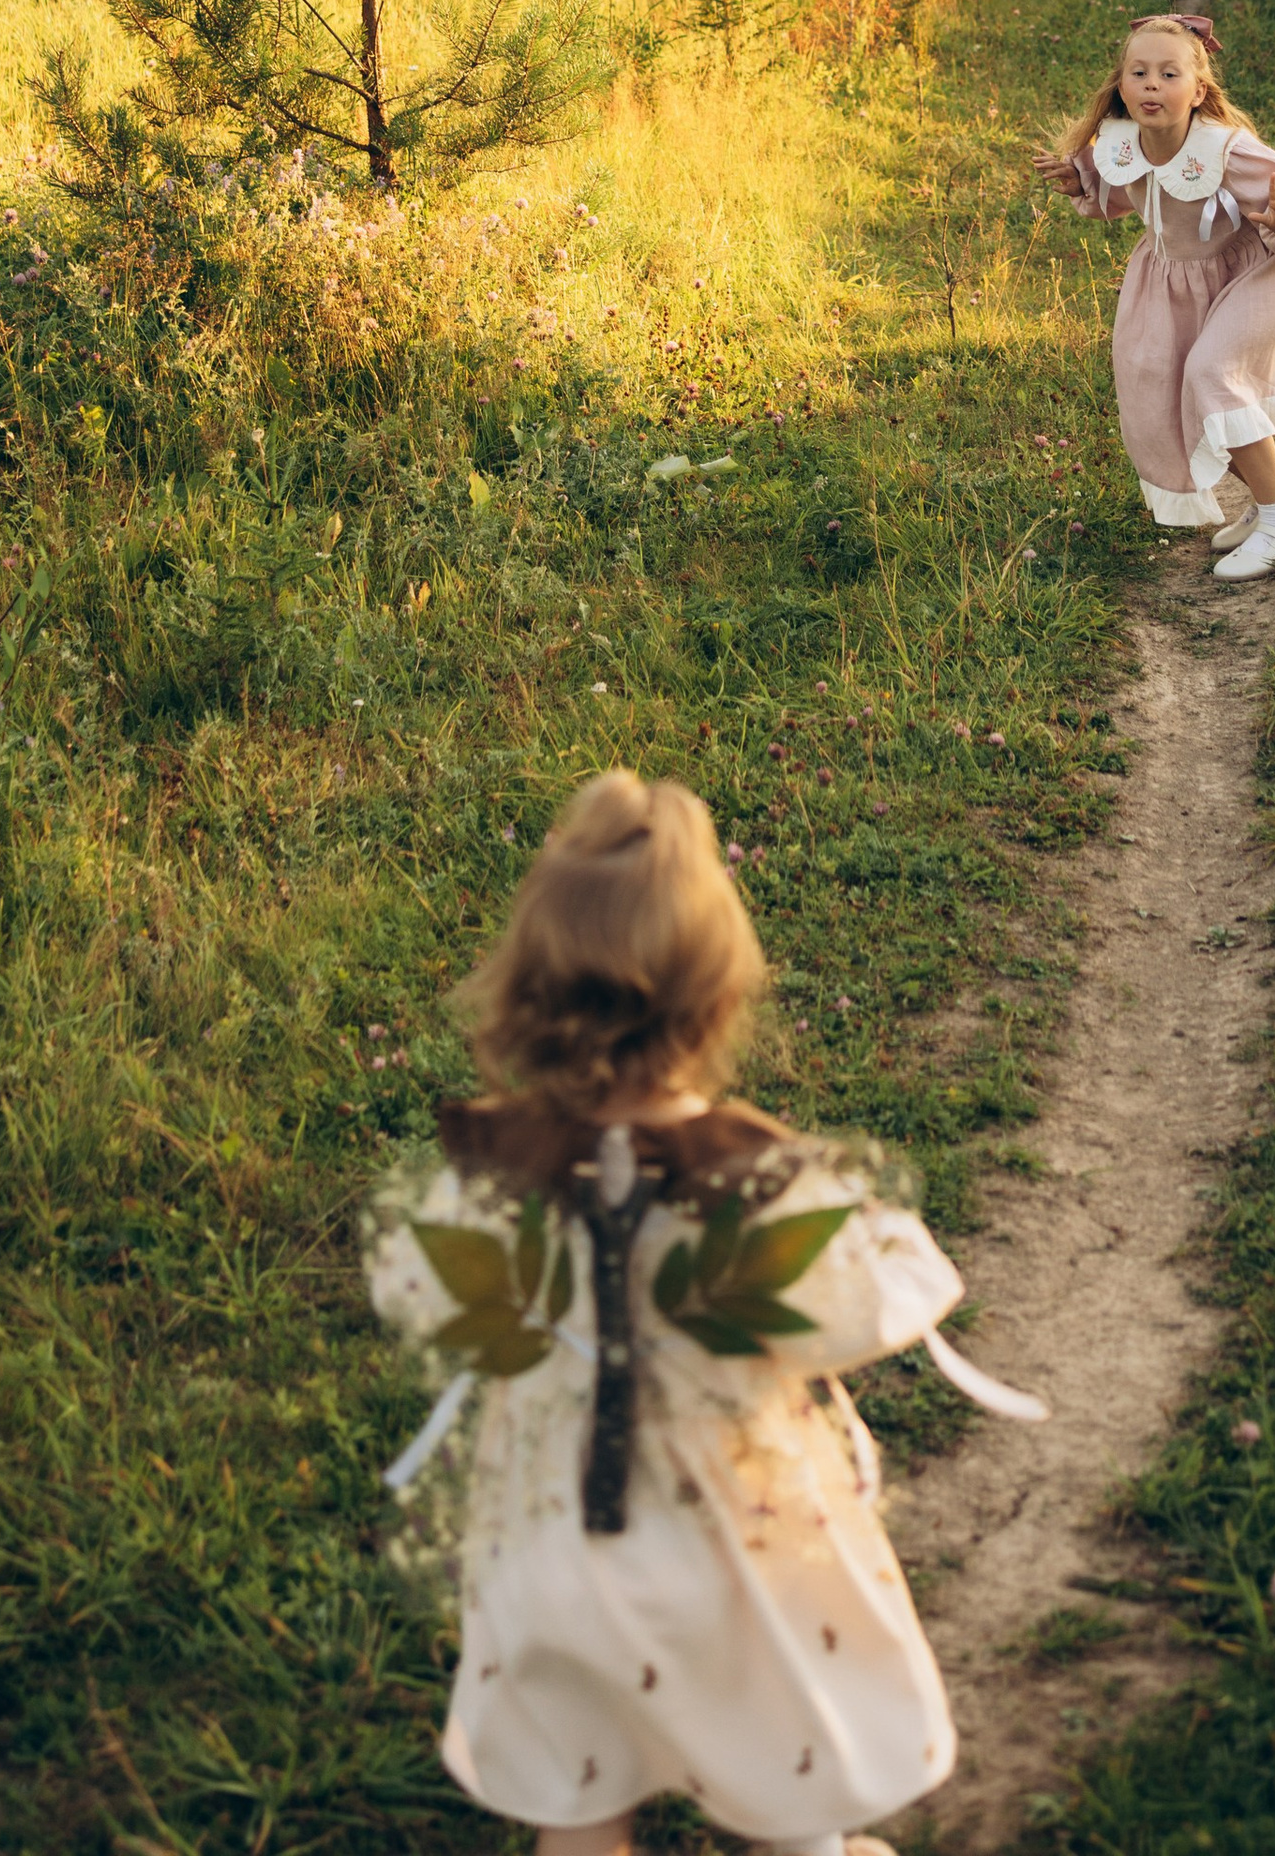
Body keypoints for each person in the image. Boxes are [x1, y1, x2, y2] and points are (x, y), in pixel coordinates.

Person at [363, 770, 1039, 1856]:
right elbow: (864, 1301)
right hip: (736, 1548)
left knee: (577, 1802)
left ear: (529, 993)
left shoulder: (495, 1178)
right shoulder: (752, 1185)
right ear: (719, 996)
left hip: (553, 1543)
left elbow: (419, 1291)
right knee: (779, 1750)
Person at [1035, 8, 1275, 572]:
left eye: (1169, 74)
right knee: (1164, 390)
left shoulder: (1226, 149)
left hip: (1267, 267)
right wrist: (1080, 180)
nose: (1152, 83)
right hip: (1179, 277)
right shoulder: (1123, 144)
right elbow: (1129, 193)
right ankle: (1273, 491)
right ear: (1122, 87)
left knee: (1211, 373)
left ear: (1199, 89)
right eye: (1139, 73)